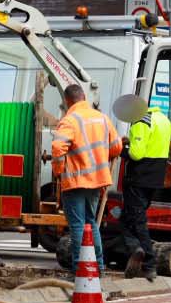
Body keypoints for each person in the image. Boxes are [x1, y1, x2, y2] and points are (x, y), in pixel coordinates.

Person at [50, 84, 123, 270]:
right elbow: (117, 147)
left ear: (67, 101)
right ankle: (97, 266)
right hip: (97, 181)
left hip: (75, 182)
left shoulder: (70, 120)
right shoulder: (103, 118)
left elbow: (58, 147)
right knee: (91, 224)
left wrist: (59, 170)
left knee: (77, 226)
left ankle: (79, 269)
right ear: (84, 97)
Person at [113, 93, 170, 281]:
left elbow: (137, 154)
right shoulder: (163, 120)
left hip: (138, 178)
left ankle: (148, 261)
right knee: (129, 219)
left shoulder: (140, 122)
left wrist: (120, 150)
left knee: (136, 222)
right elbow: (152, 145)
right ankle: (135, 250)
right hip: (155, 179)